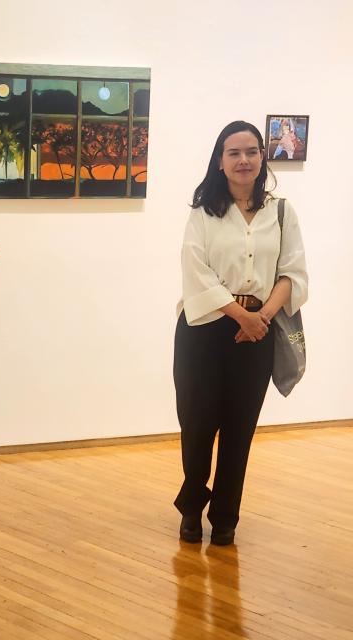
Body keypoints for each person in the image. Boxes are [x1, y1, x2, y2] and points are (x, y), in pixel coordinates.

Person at [173, 121, 307, 546]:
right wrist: (240, 316)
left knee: (239, 430)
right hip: (204, 332)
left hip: (258, 332)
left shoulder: (281, 212)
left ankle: (226, 518)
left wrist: (261, 317)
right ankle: (192, 507)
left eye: (251, 151)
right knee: (197, 426)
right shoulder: (203, 214)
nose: (243, 159)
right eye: (234, 153)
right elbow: (196, 273)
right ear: (220, 161)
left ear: (262, 158)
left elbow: (292, 273)